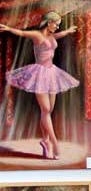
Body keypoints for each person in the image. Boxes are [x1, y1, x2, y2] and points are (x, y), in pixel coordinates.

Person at [0, 11, 79, 159]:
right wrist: (9, 29)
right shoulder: (37, 35)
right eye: (56, 24)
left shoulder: (51, 36)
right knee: (46, 109)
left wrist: (67, 31)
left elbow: (57, 36)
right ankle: (55, 144)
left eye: (58, 25)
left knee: (48, 112)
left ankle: (45, 142)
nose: (57, 27)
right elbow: (22, 33)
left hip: (52, 73)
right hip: (40, 74)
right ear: (48, 22)